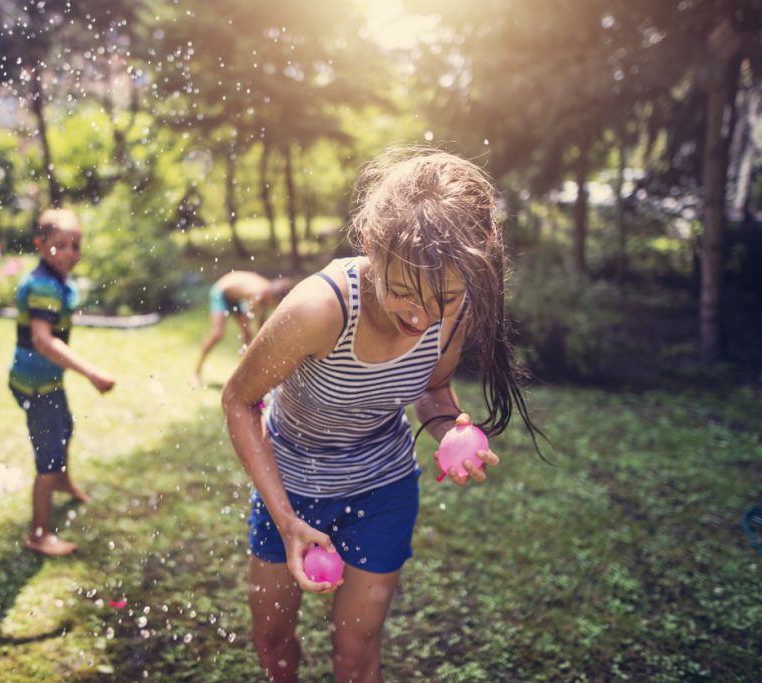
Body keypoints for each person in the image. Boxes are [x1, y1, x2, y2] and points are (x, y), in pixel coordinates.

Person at [221, 149, 543, 682]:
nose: (421, 317)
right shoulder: (318, 310)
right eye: (401, 294)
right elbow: (239, 399)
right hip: (291, 488)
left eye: (443, 298)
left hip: (381, 490)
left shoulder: (455, 309)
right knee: (273, 639)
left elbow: (435, 391)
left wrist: (448, 430)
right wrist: (287, 521)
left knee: (356, 653)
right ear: (370, 247)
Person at [9, 208, 116, 557]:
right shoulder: (42, 285)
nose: (70, 252)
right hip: (34, 384)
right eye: (60, 245)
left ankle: (63, 481)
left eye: (75, 245)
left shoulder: (53, 278)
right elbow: (42, 339)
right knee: (48, 456)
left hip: (46, 380)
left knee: (65, 428)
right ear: (41, 245)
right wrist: (92, 373)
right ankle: (38, 533)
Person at [191, 271, 294, 387]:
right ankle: (196, 372)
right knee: (217, 333)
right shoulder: (260, 293)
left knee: (247, 334)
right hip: (221, 292)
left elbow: (261, 323)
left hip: (235, 298)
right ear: (273, 297)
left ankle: (240, 374)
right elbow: (253, 318)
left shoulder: (267, 292)